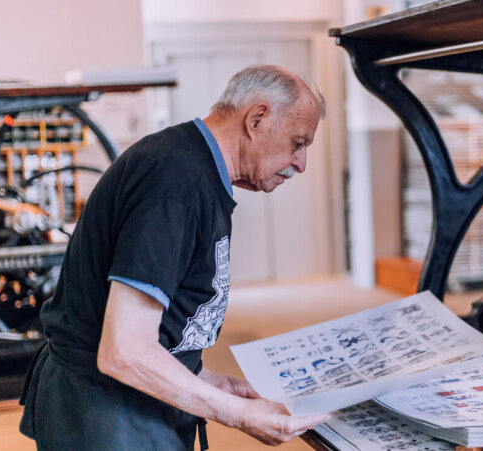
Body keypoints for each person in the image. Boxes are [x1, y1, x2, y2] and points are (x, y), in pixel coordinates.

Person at [19, 65, 329, 450]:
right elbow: (125, 351)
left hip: (128, 405)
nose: (301, 163)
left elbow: (160, 328)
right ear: (257, 118)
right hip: (104, 413)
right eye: (298, 143)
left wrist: (205, 378)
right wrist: (237, 415)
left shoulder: (197, 170)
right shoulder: (174, 180)